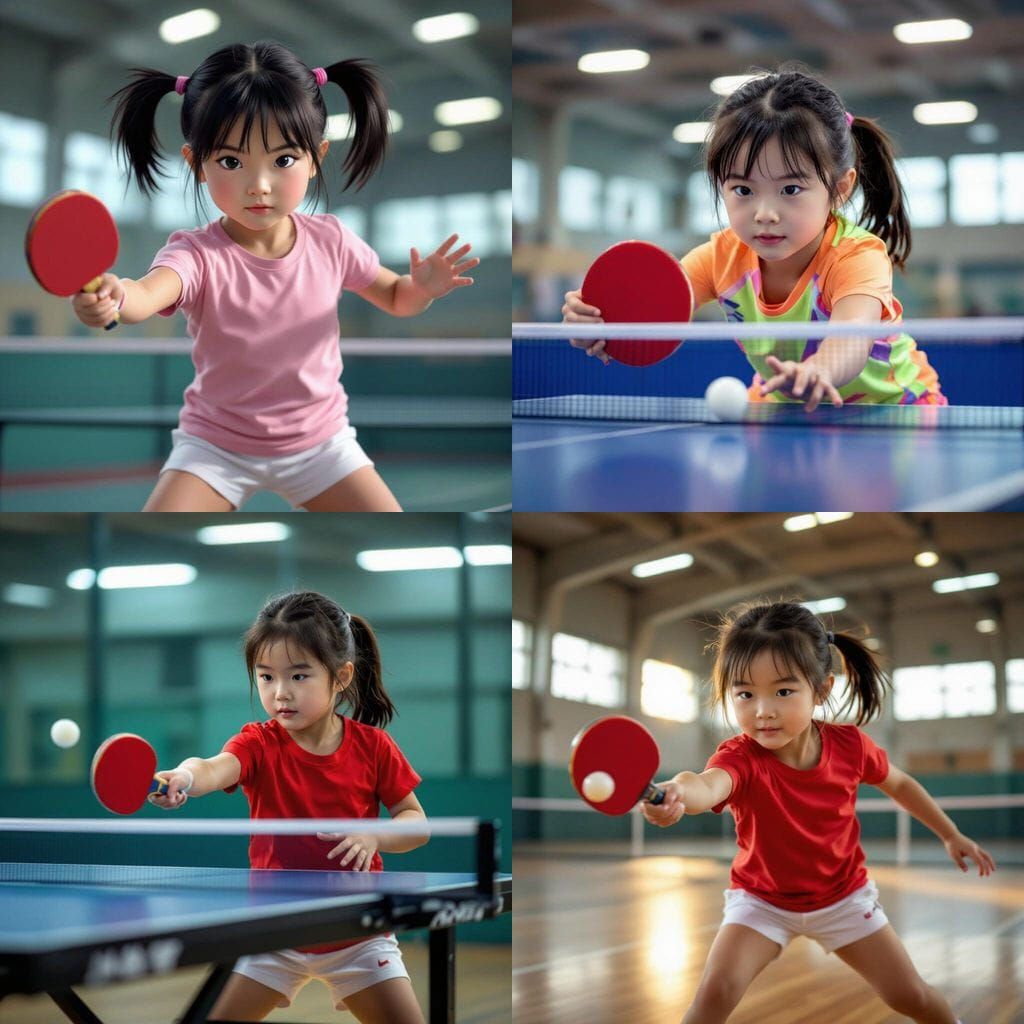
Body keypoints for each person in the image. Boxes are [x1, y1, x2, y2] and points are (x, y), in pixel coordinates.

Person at [73, 41, 477, 511]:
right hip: (215, 447)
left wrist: (422, 289)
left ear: (316, 156)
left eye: (283, 160)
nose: (259, 184)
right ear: (195, 164)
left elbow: (397, 298)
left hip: (321, 445)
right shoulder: (196, 253)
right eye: (231, 161)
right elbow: (145, 294)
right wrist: (113, 295)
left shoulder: (332, 240)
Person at [642, 600, 994, 1024]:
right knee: (715, 992)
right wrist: (677, 792)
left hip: (843, 898)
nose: (763, 710)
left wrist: (950, 833)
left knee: (910, 995)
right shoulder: (740, 757)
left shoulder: (850, 747)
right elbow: (705, 783)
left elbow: (898, 783)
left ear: (822, 690)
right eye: (745, 694)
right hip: (762, 902)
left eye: (784, 691)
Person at [564, 66, 946, 412]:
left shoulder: (856, 256)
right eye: (744, 190)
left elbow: (851, 340)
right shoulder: (720, 258)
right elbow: (649, 315)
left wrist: (820, 370)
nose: (765, 213)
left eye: (791, 189)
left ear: (840, 188)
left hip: (899, 412)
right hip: (786, 407)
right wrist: (598, 324)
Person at [151, 591, 428, 1023]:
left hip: (357, 930)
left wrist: (376, 835)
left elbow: (417, 822)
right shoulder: (258, 743)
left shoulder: (374, 747)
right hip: (274, 930)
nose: (280, 693)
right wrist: (185, 777)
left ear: (341, 676)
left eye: (299, 676)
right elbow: (213, 767)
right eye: (265, 677)